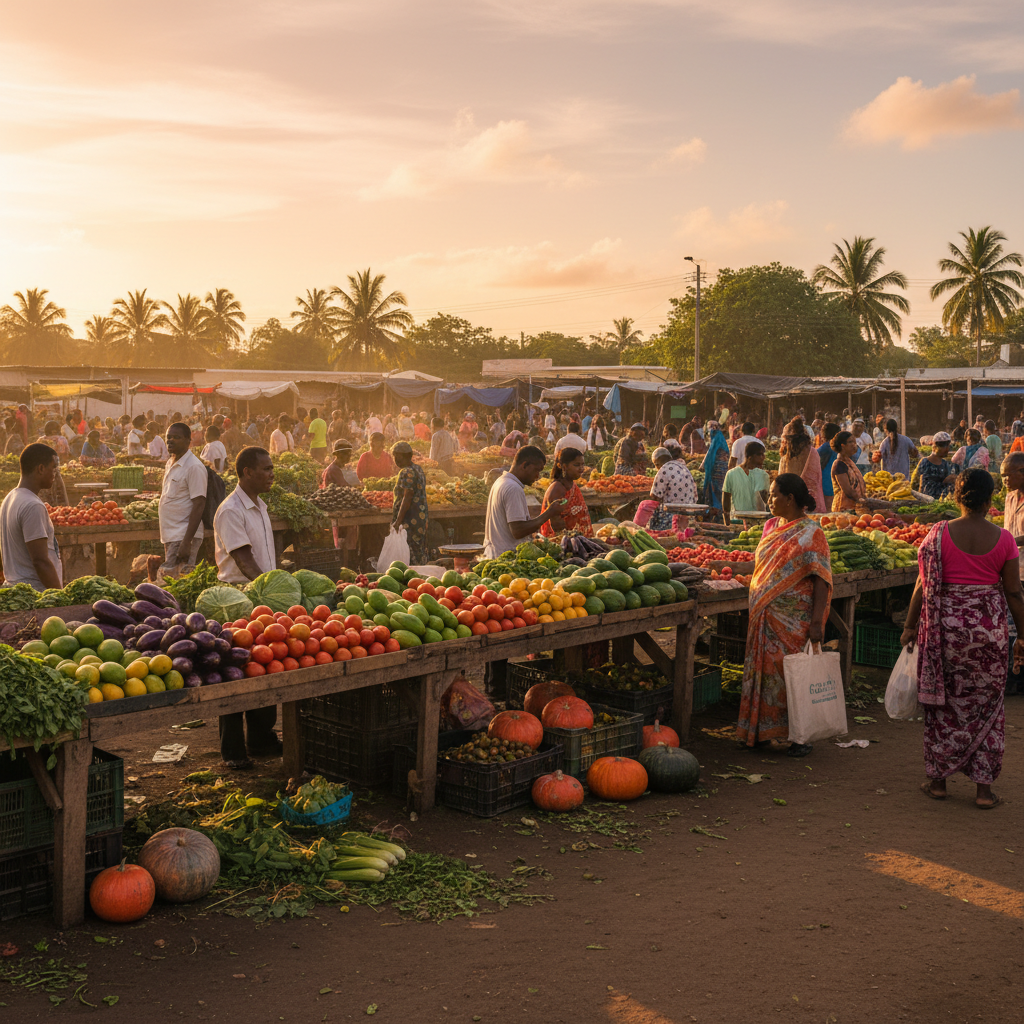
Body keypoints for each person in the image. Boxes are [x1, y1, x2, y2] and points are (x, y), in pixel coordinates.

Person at [899, 469, 1023, 808]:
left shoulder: (937, 535)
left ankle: (938, 782)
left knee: (944, 705)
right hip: (989, 635)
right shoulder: (1005, 539)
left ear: (957, 497)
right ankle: (983, 791)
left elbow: (922, 586)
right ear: (989, 500)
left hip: (945, 635)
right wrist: (1023, 636)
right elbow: (1013, 592)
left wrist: (910, 626)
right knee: (987, 707)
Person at [736, 473, 832, 756]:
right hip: (764, 615)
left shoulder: (812, 533)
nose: (769, 500)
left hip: (794, 620)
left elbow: (821, 580)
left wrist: (816, 623)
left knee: (793, 674)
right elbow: (763, 567)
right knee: (763, 673)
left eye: (775, 495)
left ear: (790, 499)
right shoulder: (770, 526)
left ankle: (800, 735)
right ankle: (760, 732)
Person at [213, 446, 280, 768]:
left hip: (260, 597)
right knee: (235, 672)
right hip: (236, 600)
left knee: (262, 665)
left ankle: (261, 738)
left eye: (271, 468)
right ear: (246, 472)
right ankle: (234, 750)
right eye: (265, 469)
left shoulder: (260, 506)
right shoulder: (231, 510)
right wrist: (272, 592)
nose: (271, 474)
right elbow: (243, 559)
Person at [0, 444, 63, 591]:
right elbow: (40, 561)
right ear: (40, 469)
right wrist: (59, 596)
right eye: (53, 468)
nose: (55, 473)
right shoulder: (32, 505)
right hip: (36, 593)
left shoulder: (10, 498)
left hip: (16, 590)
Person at [483, 446, 561, 558]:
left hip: (495, 553)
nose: (537, 476)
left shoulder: (502, 481)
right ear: (524, 465)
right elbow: (518, 531)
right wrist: (549, 513)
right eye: (536, 470)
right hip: (505, 558)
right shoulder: (513, 488)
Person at [159, 422, 207, 572]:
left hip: (183, 535)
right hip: (171, 535)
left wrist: (187, 542)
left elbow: (199, 504)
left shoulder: (194, 467)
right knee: (172, 579)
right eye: (168, 437)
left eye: (176, 437)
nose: (171, 440)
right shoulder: (170, 463)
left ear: (188, 440)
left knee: (178, 582)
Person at [641, 446, 699, 530]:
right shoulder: (683, 467)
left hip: (672, 513)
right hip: (688, 511)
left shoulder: (664, 469)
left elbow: (654, 495)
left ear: (657, 463)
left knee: (652, 512)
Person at [390, 441, 429, 565]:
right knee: (418, 549)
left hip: (409, 519)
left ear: (405, 456)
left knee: (408, 552)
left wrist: (398, 521)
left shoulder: (407, 472)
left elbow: (407, 497)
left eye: (397, 456)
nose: (395, 459)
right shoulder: (417, 469)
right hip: (419, 517)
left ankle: (413, 578)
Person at [540, 447, 593, 537]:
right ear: (564, 466)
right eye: (576, 465)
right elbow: (556, 524)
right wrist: (572, 539)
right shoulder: (557, 489)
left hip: (575, 538)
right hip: (561, 541)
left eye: (582, 465)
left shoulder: (571, 484)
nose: (581, 469)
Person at [779, 417, 826, 516]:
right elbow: (817, 480)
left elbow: (781, 482)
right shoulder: (813, 452)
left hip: (793, 507)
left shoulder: (786, 457)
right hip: (814, 504)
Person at [723, 441, 770, 521]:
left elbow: (766, 499)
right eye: (759, 454)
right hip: (737, 519)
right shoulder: (731, 474)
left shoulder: (763, 475)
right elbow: (726, 498)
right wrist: (727, 519)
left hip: (758, 519)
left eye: (763, 454)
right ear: (749, 457)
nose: (763, 457)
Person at [829, 430, 868, 511]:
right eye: (851, 442)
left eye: (854, 442)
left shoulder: (849, 462)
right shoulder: (839, 465)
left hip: (854, 507)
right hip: (843, 510)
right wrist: (862, 501)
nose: (855, 445)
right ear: (842, 445)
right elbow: (848, 491)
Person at [700, 420, 730, 523]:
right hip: (723, 471)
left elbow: (710, 456)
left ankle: (717, 513)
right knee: (720, 491)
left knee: (715, 492)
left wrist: (704, 466)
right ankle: (720, 512)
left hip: (717, 472)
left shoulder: (716, 439)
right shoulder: (721, 439)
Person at [911, 431, 956, 498]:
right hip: (926, 500)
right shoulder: (925, 462)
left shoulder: (945, 464)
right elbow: (915, 483)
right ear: (936, 447)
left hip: (940, 502)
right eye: (944, 446)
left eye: (948, 446)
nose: (947, 449)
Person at [817, 423, 840, 503]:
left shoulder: (826, 446)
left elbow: (814, 457)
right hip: (835, 481)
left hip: (826, 482)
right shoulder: (838, 446)